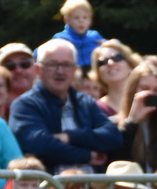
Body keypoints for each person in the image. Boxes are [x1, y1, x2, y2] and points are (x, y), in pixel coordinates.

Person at [10, 41, 120, 172]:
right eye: (53, 64)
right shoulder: (25, 105)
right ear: (37, 70)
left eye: (67, 65)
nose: (60, 71)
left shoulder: (86, 102)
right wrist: (88, 155)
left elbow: (113, 137)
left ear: (75, 70)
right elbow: (40, 145)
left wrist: (69, 137)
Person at [51, 0, 107, 67]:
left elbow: (115, 48)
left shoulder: (94, 36)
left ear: (90, 20)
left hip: (92, 74)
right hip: (72, 73)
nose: (81, 21)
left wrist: (110, 44)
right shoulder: (61, 38)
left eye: (85, 17)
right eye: (76, 18)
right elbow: (42, 52)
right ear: (67, 20)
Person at [89, 42, 141, 116]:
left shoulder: (144, 102)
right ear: (98, 74)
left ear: (130, 64)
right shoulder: (94, 110)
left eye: (117, 57)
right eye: (102, 62)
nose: (110, 63)